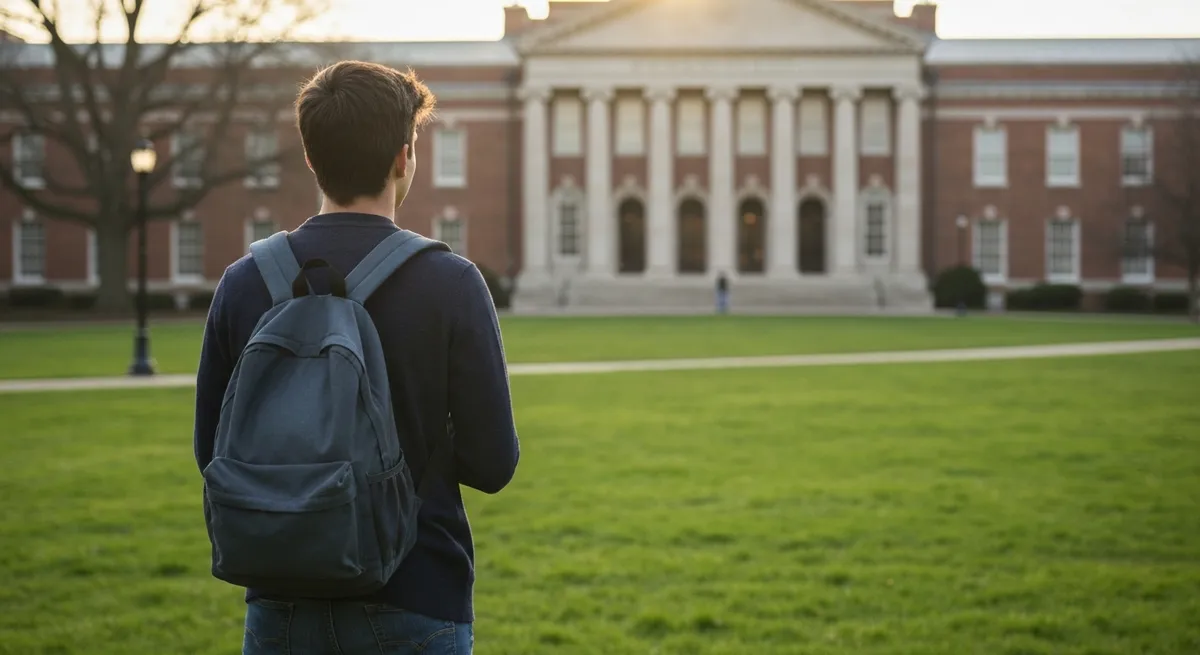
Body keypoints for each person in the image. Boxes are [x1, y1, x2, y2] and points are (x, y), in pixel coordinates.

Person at [193, 61, 520, 655]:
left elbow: (211, 452)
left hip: (280, 598)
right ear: (404, 158)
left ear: (311, 157)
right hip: (417, 593)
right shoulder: (451, 282)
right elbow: (493, 464)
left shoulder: (244, 283)